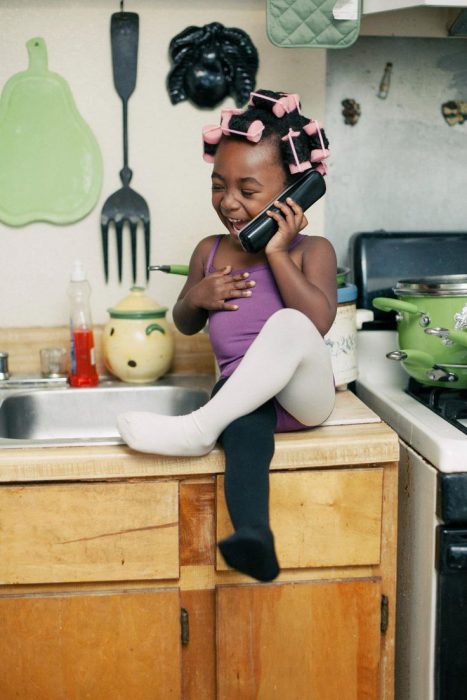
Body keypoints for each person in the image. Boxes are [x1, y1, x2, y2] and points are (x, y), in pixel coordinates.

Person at [117, 89, 337, 582]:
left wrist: (277, 252)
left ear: (291, 196)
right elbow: (185, 322)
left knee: (288, 324)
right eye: (219, 185)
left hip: (304, 399)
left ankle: (198, 429)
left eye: (248, 189)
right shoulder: (209, 252)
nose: (230, 202)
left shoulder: (312, 250)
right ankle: (255, 537)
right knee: (244, 442)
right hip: (241, 400)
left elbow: (316, 323)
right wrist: (197, 296)